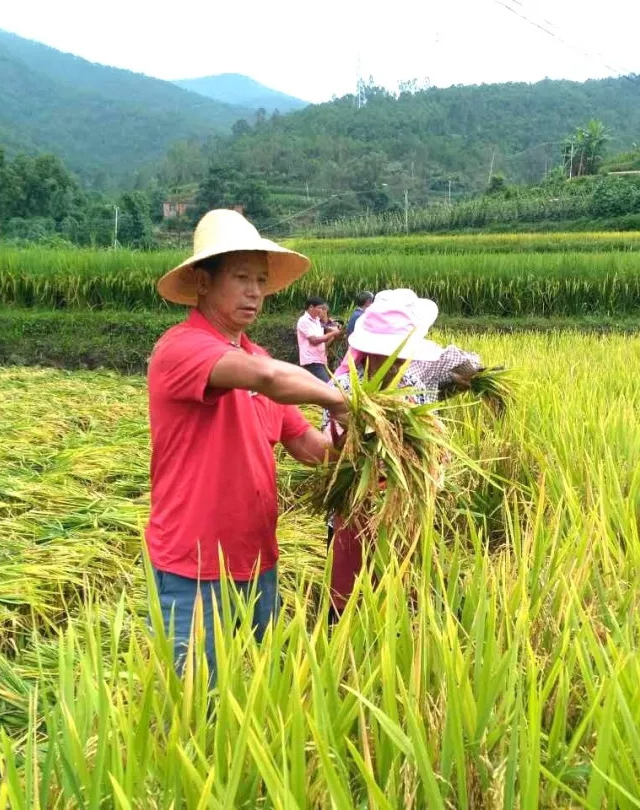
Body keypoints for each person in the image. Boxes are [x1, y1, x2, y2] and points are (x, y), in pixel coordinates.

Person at [146, 209, 347, 685]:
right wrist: (343, 401)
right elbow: (268, 378)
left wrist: (373, 451)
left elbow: (305, 443)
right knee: (197, 707)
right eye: (240, 278)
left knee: (262, 692)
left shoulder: (257, 356)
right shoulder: (182, 348)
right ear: (201, 281)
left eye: (260, 279)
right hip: (193, 567)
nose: (255, 291)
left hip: (258, 560)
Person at [320, 289, 443, 620]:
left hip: (405, 510)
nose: (398, 365)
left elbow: (434, 446)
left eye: (403, 357)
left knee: (401, 598)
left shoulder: (416, 383)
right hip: (353, 509)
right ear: (370, 354)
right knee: (346, 601)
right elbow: (326, 453)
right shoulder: (343, 391)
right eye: (391, 357)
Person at [296, 295, 341, 382]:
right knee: (327, 386)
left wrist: (333, 330)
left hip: (320, 359)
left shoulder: (316, 320)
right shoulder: (304, 321)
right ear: (311, 307)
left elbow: (328, 328)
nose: (321, 311)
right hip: (312, 361)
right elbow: (314, 340)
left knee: (315, 388)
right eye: (320, 308)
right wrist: (332, 333)